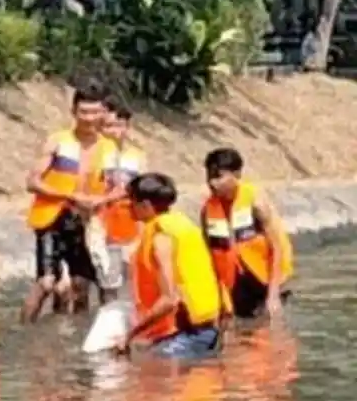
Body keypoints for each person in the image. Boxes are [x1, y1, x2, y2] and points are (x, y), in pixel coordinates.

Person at [21, 81, 115, 322]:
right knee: (46, 281)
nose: (88, 117)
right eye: (83, 111)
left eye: (94, 111)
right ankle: (24, 330)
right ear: (73, 112)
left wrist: (102, 199)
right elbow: (32, 182)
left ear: (103, 113)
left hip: (85, 221)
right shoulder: (58, 141)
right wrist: (71, 196)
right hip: (53, 216)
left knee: (81, 284)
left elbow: (120, 186)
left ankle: (74, 342)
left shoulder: (109, 149)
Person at [116, 173, 226, 359]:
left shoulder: (161, 238)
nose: (128, 208)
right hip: (209, 329)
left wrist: (129, 335)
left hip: (190, 334)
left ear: (146, 206)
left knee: (140, 369)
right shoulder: (183, 225)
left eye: (131, 202)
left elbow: (169, 299)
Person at [201, 147, 294, 318]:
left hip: (266, 281)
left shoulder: (256, 204)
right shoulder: (208, 210)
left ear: (236, 174)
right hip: (237, 286)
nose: (212, 183)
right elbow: (210, 256)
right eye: (209, 176)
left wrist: (273, 297)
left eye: (218, 176)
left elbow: (277, 248)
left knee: (270, 336)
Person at [96, 98, 146, 302]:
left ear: (127, 128)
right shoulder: (96, 155)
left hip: (132, 226)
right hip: (103, 225)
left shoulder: (137, 156)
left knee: (134, 284)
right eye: (107, 126)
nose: (112, 131)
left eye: (118, 125)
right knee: (107, 283)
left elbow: (143, 193)